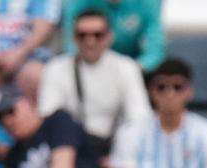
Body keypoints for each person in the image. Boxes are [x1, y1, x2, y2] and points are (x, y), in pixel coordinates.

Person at [38, 8, 148, 145]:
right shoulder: (56, 67)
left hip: (115, 147)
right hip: (72, 148)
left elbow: (139, 116)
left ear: (110, 37)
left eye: (98, 35)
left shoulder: (127, 67)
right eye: (82, 35)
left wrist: (121, 151)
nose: (90, 41)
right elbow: (48, 113)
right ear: (73, 37)